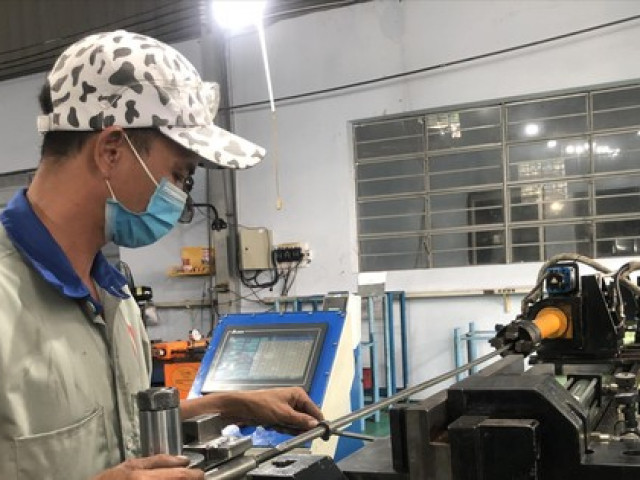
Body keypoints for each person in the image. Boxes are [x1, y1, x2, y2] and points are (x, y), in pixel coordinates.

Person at [0, 30, 323, 480]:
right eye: (180, 175)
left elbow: (118, 430)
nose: (182, 198)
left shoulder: (115, 298)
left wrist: (231, 405)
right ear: (111, 150)